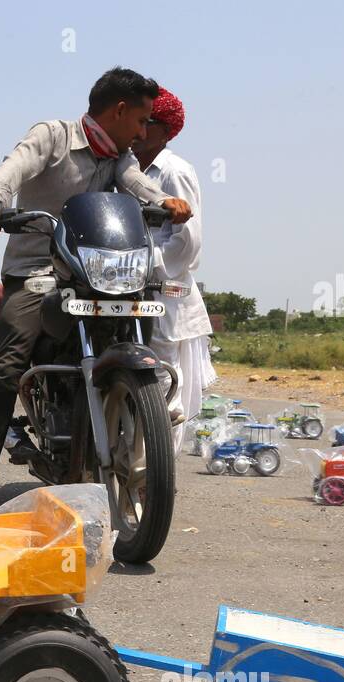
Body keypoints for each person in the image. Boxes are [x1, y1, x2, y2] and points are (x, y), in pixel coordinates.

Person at [0, 67, 192, 521]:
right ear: (118, 110)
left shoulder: (119, 157)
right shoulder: (53, 137)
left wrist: (164, 201)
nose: (142, 132)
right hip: (36, 270)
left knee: (139, 319)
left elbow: (138, 185)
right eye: (140, 120)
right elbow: (11, 169)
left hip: (94, 272)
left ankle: (137, 423)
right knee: (8, 363)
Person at [131, 87, 215, 452]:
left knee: (163, 385)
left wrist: (144, 266)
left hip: (164, 293)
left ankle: (156, 476)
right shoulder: (130, 170)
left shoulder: (173, 171)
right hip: (128, 286)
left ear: (165, 130)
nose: (137, 130)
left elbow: (187, 242)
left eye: (144, 123)